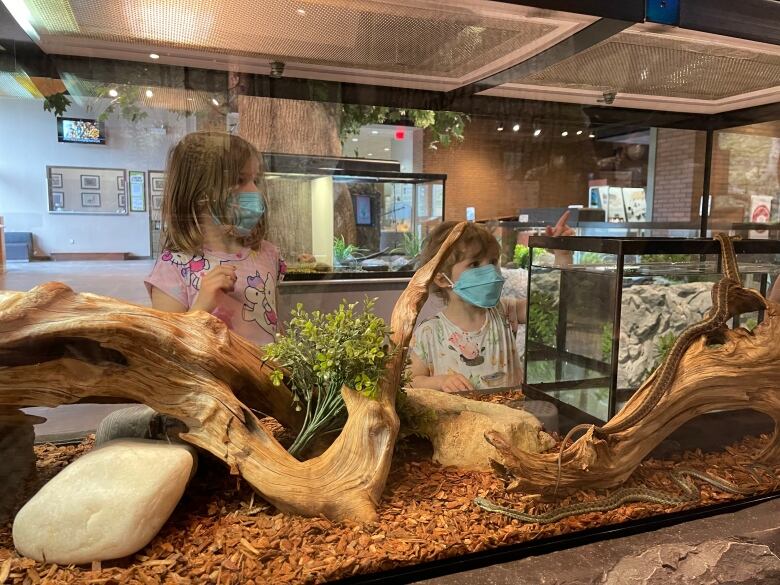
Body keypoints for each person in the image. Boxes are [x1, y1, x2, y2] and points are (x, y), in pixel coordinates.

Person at [145, 131, 285, 347]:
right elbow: (168, 350)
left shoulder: (267, 253)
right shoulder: (172, 268)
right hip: (214, 379)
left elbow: (275, 325)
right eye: (239, 180)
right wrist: (202, 304)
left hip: (269, 377)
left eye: (254, 180)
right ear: (199, 191)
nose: (254, 191)